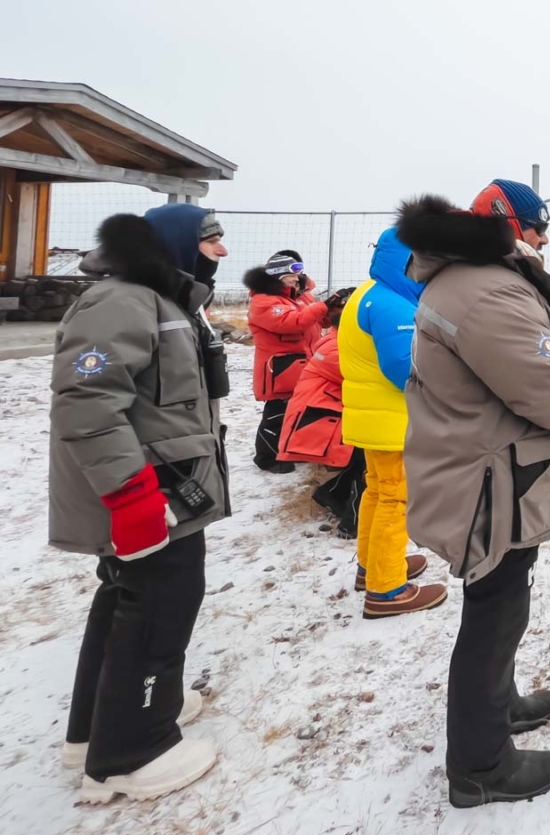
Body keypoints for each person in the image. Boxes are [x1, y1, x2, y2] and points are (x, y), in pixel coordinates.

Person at [396, 180, 550, 809]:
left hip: (487, 465)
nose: (544, 237)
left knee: (502, 598)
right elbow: (540, 383)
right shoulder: (486, 289)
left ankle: (501, 707)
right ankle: (480, 764)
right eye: (535, 224)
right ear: (504, 223)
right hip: (489, 477)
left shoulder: (467, 279)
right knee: (494, 611)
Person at [49, 202, 232, 803]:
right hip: (149, 490)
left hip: (167, 481)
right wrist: (130, 497)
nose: (222, 251)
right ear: (177, 243)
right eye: (212, 241)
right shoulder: (123, 301)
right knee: (160, 601)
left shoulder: (162, 301)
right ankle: (133, 750)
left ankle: (95, 730)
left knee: (129, 596)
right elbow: (87, 400)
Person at [338, 228, 446, 617]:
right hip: (391, 421)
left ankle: (374, 567)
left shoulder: (368, 293)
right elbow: (404, 368)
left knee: (377, 491)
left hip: (371, 417)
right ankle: (388, 591)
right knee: (396, 499)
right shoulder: (393, 307)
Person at [276, 287, 364, 535]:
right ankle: (354, 523)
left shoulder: (340, 339)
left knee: (367, 458)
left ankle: (333, 495)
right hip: (322, 422)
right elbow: (367, 378)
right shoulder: (336, 347)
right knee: (371, 460)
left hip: (330, 417)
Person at [244, 251, 327, 473]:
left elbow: (317, 318)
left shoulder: (301, 297)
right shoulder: (263, 302)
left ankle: (293, 449)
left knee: (299, 410)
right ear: (279, 276)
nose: (297, 278)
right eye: (292, 274)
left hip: (304, 364)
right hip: (279, 369)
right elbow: (293, 322)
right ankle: (267, 457)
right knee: (277, 414)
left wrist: (336, 308)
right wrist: (324, 306)